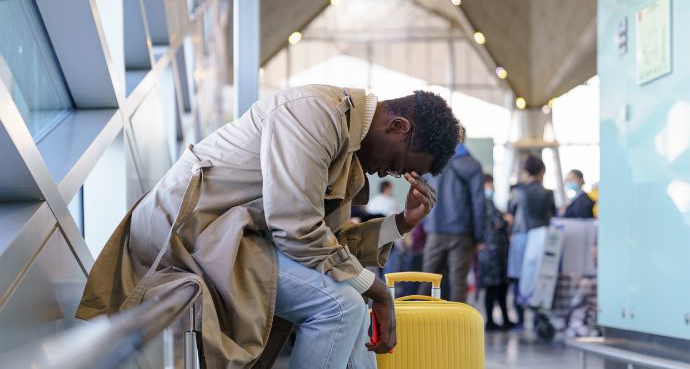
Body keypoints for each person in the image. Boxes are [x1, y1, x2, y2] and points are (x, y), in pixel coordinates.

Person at [76, 85, 460, 368]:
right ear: (397, 127)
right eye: (399, 162)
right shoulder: (314, 113)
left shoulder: (345, 142)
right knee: (340, 306)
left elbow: (329, 243)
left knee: (351, 303)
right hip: (187, 235)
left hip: (233, 239)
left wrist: (400, 224)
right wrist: (378, 291)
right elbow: (296, 229)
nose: (390, 173)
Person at [420, 131, 485, 303]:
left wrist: (427, 224)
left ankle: (419, 323)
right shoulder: (472, 165)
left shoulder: (431, 164)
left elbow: (422, 196)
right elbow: (478, 203)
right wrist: (479, 236)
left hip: (435, 230)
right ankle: (456, 326)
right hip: (462, 233)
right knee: (458, 281)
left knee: (428, 279)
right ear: (463, 138)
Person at [506, 155, 556, 328]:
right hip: (541, 240)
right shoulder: (549, 194)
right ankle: (538, 316)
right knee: (539, 279)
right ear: (542, 172)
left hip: (521, 238)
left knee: (519, 279)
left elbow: (510, 216)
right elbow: (553, 217)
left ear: (526, 171)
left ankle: (520, 321)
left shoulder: (518, 192)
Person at [478, 174, 512, 331]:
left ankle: (504, 319)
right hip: (492, 252)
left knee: (500, 287)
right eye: (488, 185)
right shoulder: (485, 203)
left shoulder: (486, 202)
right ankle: (491, 321)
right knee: (493, 288)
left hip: (496, 251)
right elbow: (498, 223)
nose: (491, 188)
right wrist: (506, 219)